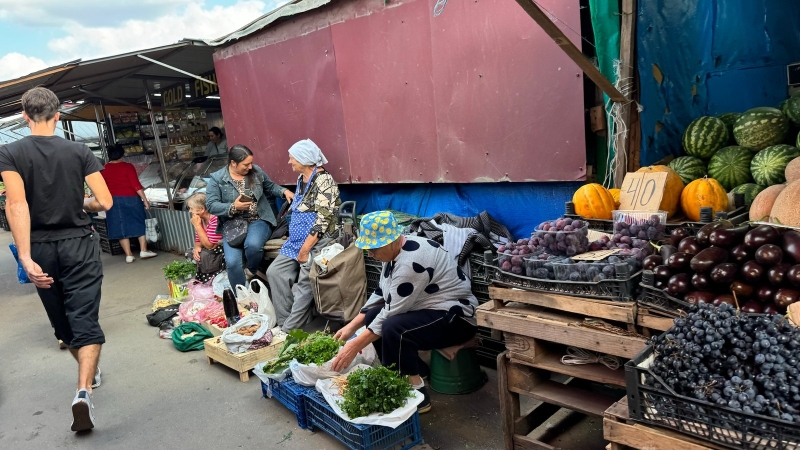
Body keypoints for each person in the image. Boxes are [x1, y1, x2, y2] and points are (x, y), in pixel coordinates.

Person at [0, 87, 113, 432]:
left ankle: (87, 371)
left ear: (24, 116)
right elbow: (104, 201)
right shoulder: (79, 151)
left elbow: (16, 204)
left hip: (42, 249)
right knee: (85, 317)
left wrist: (25, 257)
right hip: (79, 244)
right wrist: (80, 203)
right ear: (58, 116)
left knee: (64, 325)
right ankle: (83, 390)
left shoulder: (9, 152)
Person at [330, 211, 479, 414]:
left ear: (391, 241)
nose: (370, 254)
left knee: (393, 327)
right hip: (430, 311)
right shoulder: (393, 254)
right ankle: (414, 371)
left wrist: (353, 346)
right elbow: (381, 294)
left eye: (373, 249)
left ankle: (418, 395)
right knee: (374, 318)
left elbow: (391, 313)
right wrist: (350, 327)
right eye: (368, 249)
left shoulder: (410, 262)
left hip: (457, 318)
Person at [268, 139, 341, 333]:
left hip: (319, 240)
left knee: (305, 281)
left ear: (304, 159)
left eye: (292, 158)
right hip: (296, 240)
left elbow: (323, 221)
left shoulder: (325, 181)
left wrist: (305, 249)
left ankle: (290, 328)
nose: (289, 161)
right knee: (275, 272)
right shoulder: (302, 178)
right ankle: (285, 321)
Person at [206, 145, 294, 289]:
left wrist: (285, 192)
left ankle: (251, 270)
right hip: (232, 225)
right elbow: (211, 205)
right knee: (233, 263)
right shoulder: (217, 179)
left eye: (251, 163)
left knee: (253, 245)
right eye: (246, 164)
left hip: (258, 219)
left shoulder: (256, 171)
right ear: (233, 163)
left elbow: (270, 187)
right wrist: (233, 207)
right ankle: (241, 298)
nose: (250, 166)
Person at [100, 144, 158, 263]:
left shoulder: (104, 169)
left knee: (120, 225)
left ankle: (129, 255)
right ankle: (143, 250)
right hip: (131, 198)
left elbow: (102, 187)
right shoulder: (128, 167)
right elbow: (135, 185)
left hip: (113, 200)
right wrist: (145, 200)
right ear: (122, 154)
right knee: (138, 221)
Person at [187, 192, 225, 283]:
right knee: (190, 252)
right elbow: (198, 239)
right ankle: (200, 281)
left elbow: (210, 246)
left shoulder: (215, 219)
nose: (190, 211)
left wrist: (197, 226)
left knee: (205, 255)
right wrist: (197, 247)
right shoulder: (202, 219)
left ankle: (210, 282)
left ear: (202, 209)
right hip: (210, 247)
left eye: (191, 208)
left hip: (220, 249)